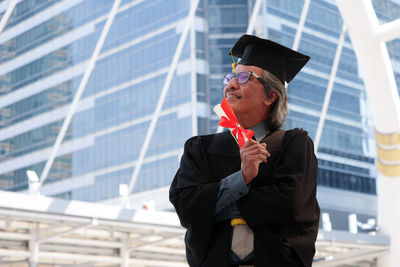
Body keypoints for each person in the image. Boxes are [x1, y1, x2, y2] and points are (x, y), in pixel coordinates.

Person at [169, 34, 320, 267]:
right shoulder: (200, 148)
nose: (230, 84)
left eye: (243, 77)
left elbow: (292, 205)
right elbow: (186, 207)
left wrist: (212, 207)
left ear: (271, 95)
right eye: (230, 76)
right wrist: (242, 179)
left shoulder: (294, 144)